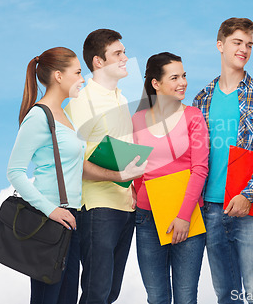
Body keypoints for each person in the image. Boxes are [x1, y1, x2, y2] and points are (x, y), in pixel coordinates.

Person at [193, 18, 253, 304]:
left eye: (249, 45)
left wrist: (247, 194)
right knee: (226, 296)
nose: (244, 49)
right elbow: (195, 156)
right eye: (237, 43)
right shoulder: (201, 98)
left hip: (251, 210)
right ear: (220, 45)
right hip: (211, 209)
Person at [65, 29, 146, 304]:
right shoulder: (81, 102)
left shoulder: (122, 99)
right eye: (118, 54)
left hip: (125, 206)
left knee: (110, 293)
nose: (125, 58)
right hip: (97, 208)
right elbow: (71, 162)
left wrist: (131, 184)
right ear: (99, 61)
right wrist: (118, 174)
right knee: (96, 293)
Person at [7, 47, 85, 304]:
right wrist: (51, 210)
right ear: (59, 76)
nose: (82, 79)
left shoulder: (63, 116)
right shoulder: (39, 117)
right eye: (77, 72)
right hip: (50, 221)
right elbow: (15, 172)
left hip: (71, 218)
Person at [132, 52, 209, 304]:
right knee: (156, 297)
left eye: (184, 76)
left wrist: (183, 216)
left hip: (187, 216)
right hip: (147, 218)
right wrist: (133, 193)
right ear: (156, 83)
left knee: (186, 297)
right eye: (174, 77)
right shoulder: (137, 120)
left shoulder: (193, 117)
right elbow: (134, 168)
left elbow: (200, 169)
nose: (182, 82)